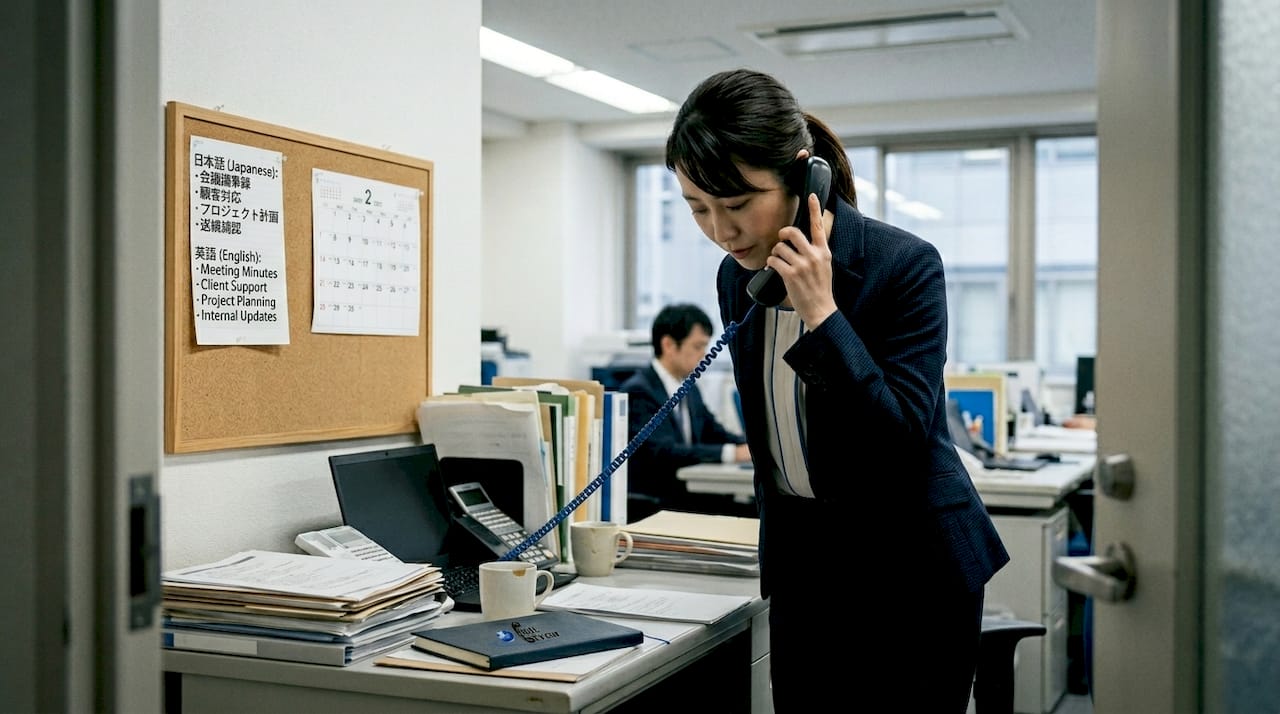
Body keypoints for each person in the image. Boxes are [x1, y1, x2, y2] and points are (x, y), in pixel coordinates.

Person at [665, 68, 1010, 712]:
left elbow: (899, 437)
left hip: (911, 569)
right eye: (697, 207)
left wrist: (823, 315)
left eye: (738, 204)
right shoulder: (733, 277)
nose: (721, 230)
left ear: (803, 178)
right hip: (806, 569)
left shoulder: (902, 266)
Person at [618, 303, 752, 520]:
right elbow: (664, 452)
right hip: (658, 503)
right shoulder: (640, 391)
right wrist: (731, 453)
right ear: (669, 345)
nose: (704, 355)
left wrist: (754, 447)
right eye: (698, 346)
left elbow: (713, 430)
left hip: (686, 495)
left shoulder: (688, 387)